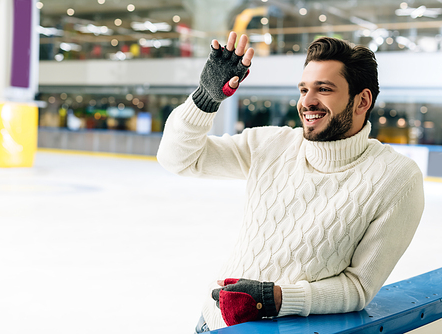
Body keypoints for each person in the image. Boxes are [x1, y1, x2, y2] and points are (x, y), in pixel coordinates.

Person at [157, 32, 424, 332]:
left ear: (362, 100)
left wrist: (275, 299)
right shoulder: (271, 143)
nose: (307, 102)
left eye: (323, 89)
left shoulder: (396, 178)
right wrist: (206, 98)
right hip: (213, 322)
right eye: (303, 89)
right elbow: (177, 159)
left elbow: (358, 287)